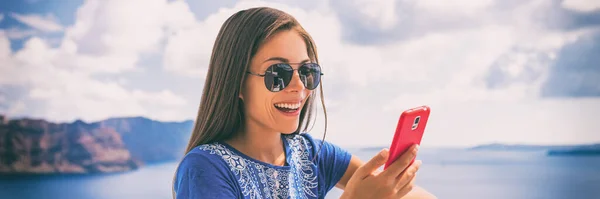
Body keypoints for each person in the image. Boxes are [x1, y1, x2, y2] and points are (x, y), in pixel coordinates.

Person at [172, 7, 437, 199]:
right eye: (278, 74)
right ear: (237, 83)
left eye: (307, 72)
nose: (299, 86)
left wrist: (395, 185)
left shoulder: (310, 154)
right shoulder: (204, 169)